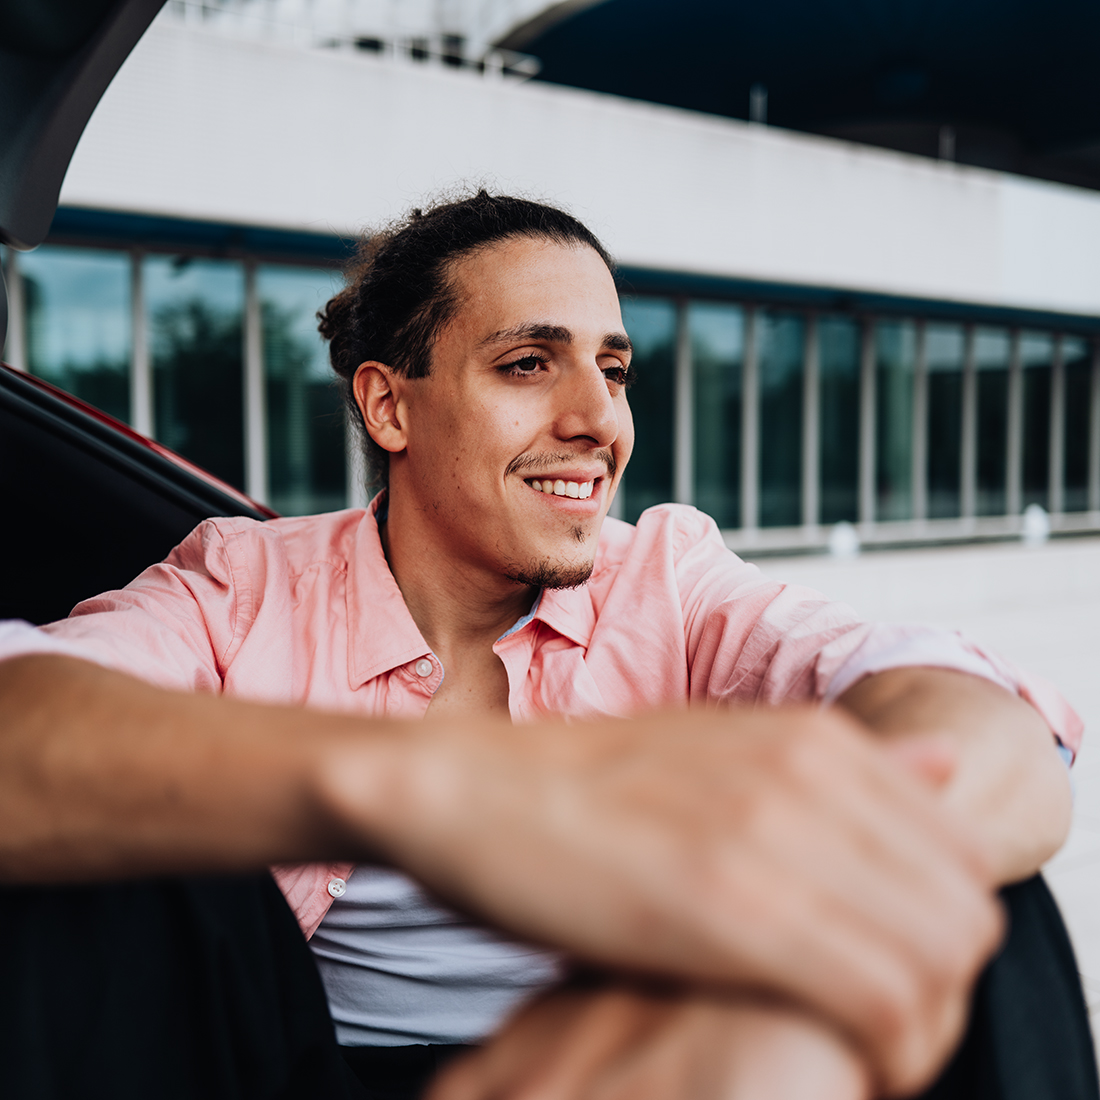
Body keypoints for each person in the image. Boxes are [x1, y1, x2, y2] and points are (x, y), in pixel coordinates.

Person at [0, 192, 1086, 1100]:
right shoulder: (242, 582)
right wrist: (425, 789)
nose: (598, 419)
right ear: (387, 404)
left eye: (613, 369)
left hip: (666, 1068)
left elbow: (983, 726)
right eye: (527, 364)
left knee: (978, 892)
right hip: (304, 1068)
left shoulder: (666, 574)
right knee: (92, 856)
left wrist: (727, 992)